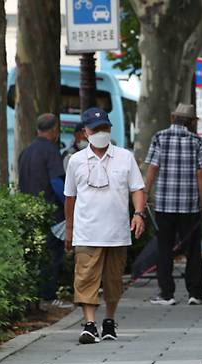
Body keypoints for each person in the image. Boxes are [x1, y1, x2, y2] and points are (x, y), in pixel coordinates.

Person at [64, 107, 145, 344]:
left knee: (113, 280)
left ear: (110, 129)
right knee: (85, 278)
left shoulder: (124, 156)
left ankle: (109, 321)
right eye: (95, 129)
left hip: (117, 233)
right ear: (85, 132)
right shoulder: (75, 161)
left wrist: (138, 213)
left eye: (104, 128)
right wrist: (69, 229)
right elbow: (70, 197)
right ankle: (89, 324)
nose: (100, 132)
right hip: (86, 232)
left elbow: (137, 189)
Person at [144, 103, 202, 306]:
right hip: (189, 206)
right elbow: (201, 173)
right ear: (191, 122)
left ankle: (166, 294)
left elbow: (152, 168)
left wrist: (145, 194)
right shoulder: (197, 141)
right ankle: (195, 293)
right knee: (192, 249)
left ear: (173, 118)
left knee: (164, 248)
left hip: (164, 205)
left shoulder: (159, 137)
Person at [17, 113, 71, 310]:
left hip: (29, 212)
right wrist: (68, 204)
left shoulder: (26, 151)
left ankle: (33, 296)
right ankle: (48, 296)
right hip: (50, 212)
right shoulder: (51, 151)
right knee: (51, 255)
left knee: (34, 256)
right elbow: (56, 182)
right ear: (55, 130)